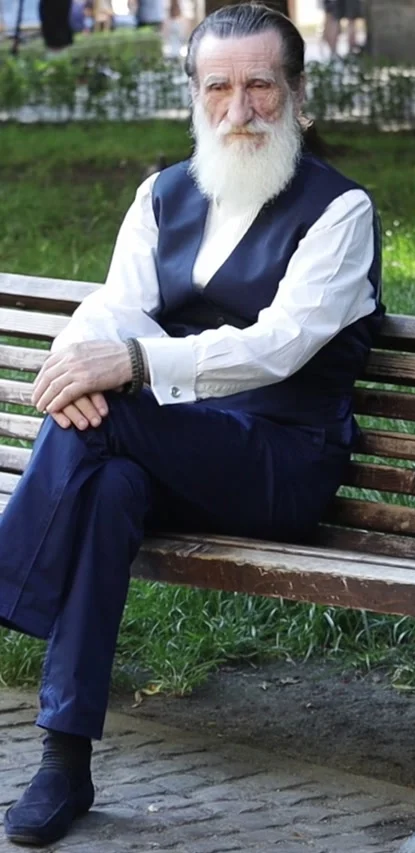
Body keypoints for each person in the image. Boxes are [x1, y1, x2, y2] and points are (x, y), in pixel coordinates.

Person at [1, 3, 383, 846]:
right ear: (194, 96)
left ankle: (6, 578)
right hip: (171, 450)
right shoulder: (163, 194)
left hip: (279, 464)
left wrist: (132, 365)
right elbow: (113, 308)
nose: (239, 109)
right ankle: (63, 761)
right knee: (106, 484)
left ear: (298, 94)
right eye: (218, 87)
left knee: (109, 422)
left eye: (260, 86)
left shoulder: (340, 210)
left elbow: (279, 345)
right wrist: (76, 365)